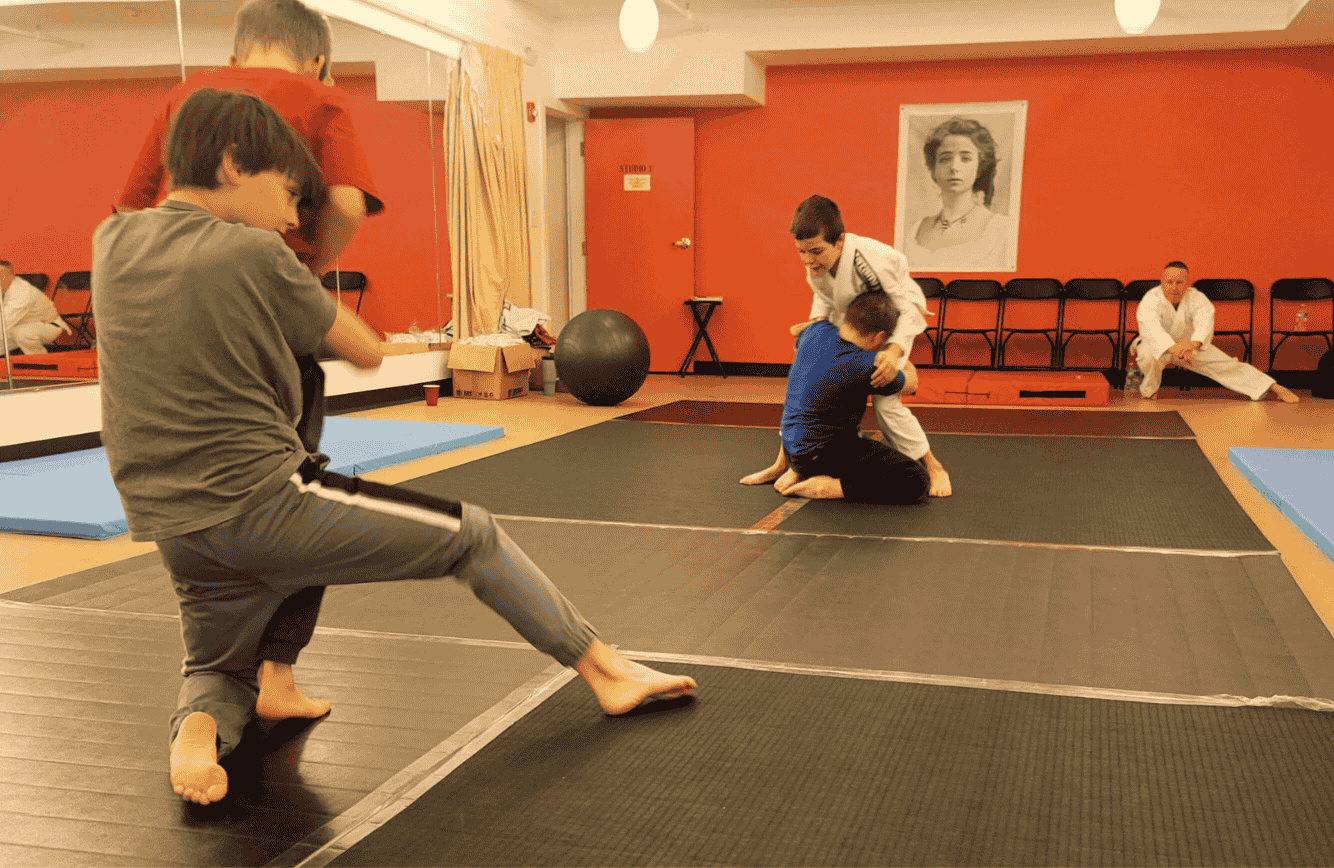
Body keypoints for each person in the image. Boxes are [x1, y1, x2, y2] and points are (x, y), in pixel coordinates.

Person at [93, 89, 697, 807]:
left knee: (222, 658)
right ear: (231, 164)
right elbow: (366, 349)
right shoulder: (253, 251)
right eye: (286, 193)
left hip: (173, 524)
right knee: (472, 536)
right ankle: (607, 672)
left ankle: (208, 720)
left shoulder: (113, 242)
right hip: (260, 503)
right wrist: (306, 262)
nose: (292, 216)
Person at [115, 0, 384, 731]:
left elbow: (131, 207)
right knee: (301, 491)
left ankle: (211, 683)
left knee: (210, 497)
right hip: (269, 323)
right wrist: (311, 266)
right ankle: (276, 674)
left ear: (235, 53)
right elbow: (351, 204)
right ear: (318, 59)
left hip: (184, 322)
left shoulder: (186, 98)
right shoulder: (323, 98)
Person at [742, 195, 952, 497]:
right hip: (853, 315)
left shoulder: (877, 258)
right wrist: (816, 324)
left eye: (815, 251)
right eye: (801, 252)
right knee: (805, 375)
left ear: (839, 240)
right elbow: (825, 295)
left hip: (891, 319)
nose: (808, 260)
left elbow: (906, 308)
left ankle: (934, 467)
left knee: (886, 402)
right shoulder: (816, 261)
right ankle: (785, 464)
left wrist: (893, 352)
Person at [773, 290, 931, 503]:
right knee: (915, 479)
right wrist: (896, 353)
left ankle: (801, 470)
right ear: (879, 337)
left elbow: (798, 331)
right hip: (821, 455)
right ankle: (832, 487)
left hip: (794, 450)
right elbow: (912, 383)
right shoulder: (866, 365)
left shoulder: (815, 331)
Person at [1133, 261, 1299, 403]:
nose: (1174, 288)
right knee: (1147, 355)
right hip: (1159, 345)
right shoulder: (1151, 298)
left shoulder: (1197, 298)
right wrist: (1174, 348)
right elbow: (1151, 329)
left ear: (1188, 283)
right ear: (1162, 282)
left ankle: (1273, 386)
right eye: (1169, 282)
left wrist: (1191, 345)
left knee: (1226, 364)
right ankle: (1149, 389)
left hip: (1191, 345)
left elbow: (1204, 324)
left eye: (1179, 282)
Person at [906, 117, 1013, 270]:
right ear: (933, 169)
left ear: (979, 167)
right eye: (945, 159)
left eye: (965, 158)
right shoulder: (916, 230)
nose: (954, 167)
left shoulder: (1001, 229)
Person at [1, 261, 70, 355]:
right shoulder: (5, 288)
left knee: (19, 333)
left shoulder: (22, 292)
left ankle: (40, 362)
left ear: (10, 276)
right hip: (18, 324)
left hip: (48, 325)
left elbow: (5, 322)